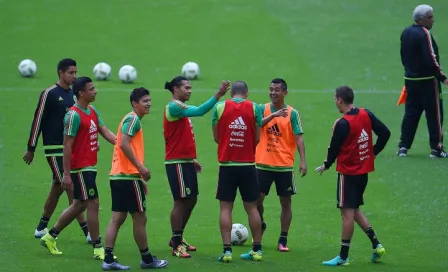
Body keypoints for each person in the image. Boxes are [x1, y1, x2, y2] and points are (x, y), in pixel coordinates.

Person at [40, 77, 117, 260]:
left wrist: (123, 144)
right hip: (80, 168)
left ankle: (50, 236)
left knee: (79, 205)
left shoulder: (92, 110)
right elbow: (67, 145)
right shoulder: (73, 115)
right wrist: (66, 174)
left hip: (89, 165)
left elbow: (104, 131)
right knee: (93, 203)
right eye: (91, 89)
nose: (95, 91)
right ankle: (98, 247)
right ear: (81, 93)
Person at [314, 86, 391, 266]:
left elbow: (334, 148)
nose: (335, 102)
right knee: (354, 210)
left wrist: (327, 164)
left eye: (335, 99)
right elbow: (385, 133)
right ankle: (376, 244)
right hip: (363, 173)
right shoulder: (366, 114)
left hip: (348, 174)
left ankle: (343, 256)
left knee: (346, 214)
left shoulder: (342, 124)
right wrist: (373, 153)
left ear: (340, 100)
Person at [23, 58, 91, 242]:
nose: (74, 76)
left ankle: (41, 226)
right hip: (54, 149)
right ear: (61, 73)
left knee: (57, 187)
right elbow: (38, 120)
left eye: (76, 72)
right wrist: (31, 148)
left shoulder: (74, 95)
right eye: (71, 73)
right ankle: (88, 233)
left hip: (70, 149)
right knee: (71, 188)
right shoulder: (49, 94)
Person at [163, 76, 230, 258]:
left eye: (190, 87)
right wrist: (218, 94)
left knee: (191, 199)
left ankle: (177, 237)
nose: (190, 90)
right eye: (186, 87)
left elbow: (178, 136)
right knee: (180, 201)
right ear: (176, 89)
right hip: (176, 163)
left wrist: (192, 159)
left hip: (185, 161)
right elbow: (200, 111)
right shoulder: (174, 106)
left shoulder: (180, 110)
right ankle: (176, 244)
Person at [102, 87, 168, 270]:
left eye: (149, 100)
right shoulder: (133, 119)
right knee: (140, 218)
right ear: (134, 103)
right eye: (145, 101)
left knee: (117, 218)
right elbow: (123, 143)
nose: (149, 104)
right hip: (127, 176)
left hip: (118, 176)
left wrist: (138, 178)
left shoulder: (130, 119)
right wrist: (140, 168)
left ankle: (108, 259)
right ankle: (147, 259)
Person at [212, 81, 263, 263]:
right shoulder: (256, 108)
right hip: (248, 165)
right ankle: (257, 249)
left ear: (231, 93)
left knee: (226, 208)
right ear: (246, 93)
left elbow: (216, 137)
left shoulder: (219, 107)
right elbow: (257, 137)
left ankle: (227, 252)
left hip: (227, 166)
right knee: (252, 207)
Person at [255, 78, 307, 252]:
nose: (273, 93)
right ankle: (260, 224)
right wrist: (273, 116)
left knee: (285, 202)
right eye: (271, 89)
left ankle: (283, 238)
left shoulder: (292, 113)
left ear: (285, 92)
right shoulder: (262, 109)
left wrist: (303, 161)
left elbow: (299, 137)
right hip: (262, 163)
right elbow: (256, 125)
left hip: (284, 166)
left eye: (277, 90)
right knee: (257, 201)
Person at [397, 4, 448, 158]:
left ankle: (403, 147)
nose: (433, 20)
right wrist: (443, 78)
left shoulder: (406, 32)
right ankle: (436, 149)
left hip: (410, 80)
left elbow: (403, 56)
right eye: (430, 17)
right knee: (435, 115)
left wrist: (410, 72)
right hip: (427, 82)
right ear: (422, 19)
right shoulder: (424, 33)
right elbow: (430, 59)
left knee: (411, 114)